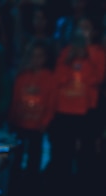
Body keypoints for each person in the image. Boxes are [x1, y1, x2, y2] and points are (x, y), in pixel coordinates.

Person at [47, 15, 106, 184]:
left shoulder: (98, 53)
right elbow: (58, 79)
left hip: (86, 111)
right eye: (80, 27)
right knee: (62, 153)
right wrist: (69, 59)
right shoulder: (67, 51)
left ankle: (82, 188)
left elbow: (98, 78)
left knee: (85, 154)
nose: (83, 32)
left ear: (93, 32)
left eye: (87, 28)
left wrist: (87, 55)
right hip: (64, 110)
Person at [8, 37, 57, 192]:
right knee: (17, 157)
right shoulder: (22, 77)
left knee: (34, 158)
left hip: (37, 126)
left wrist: (46, 121)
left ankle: (31, 188)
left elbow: (52, 101)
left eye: (40, 55)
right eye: (33, 55)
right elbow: (15, 99)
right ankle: (14, 186)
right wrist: (12, 119)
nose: (36, 59)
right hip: (20, 123)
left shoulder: (50, 78)